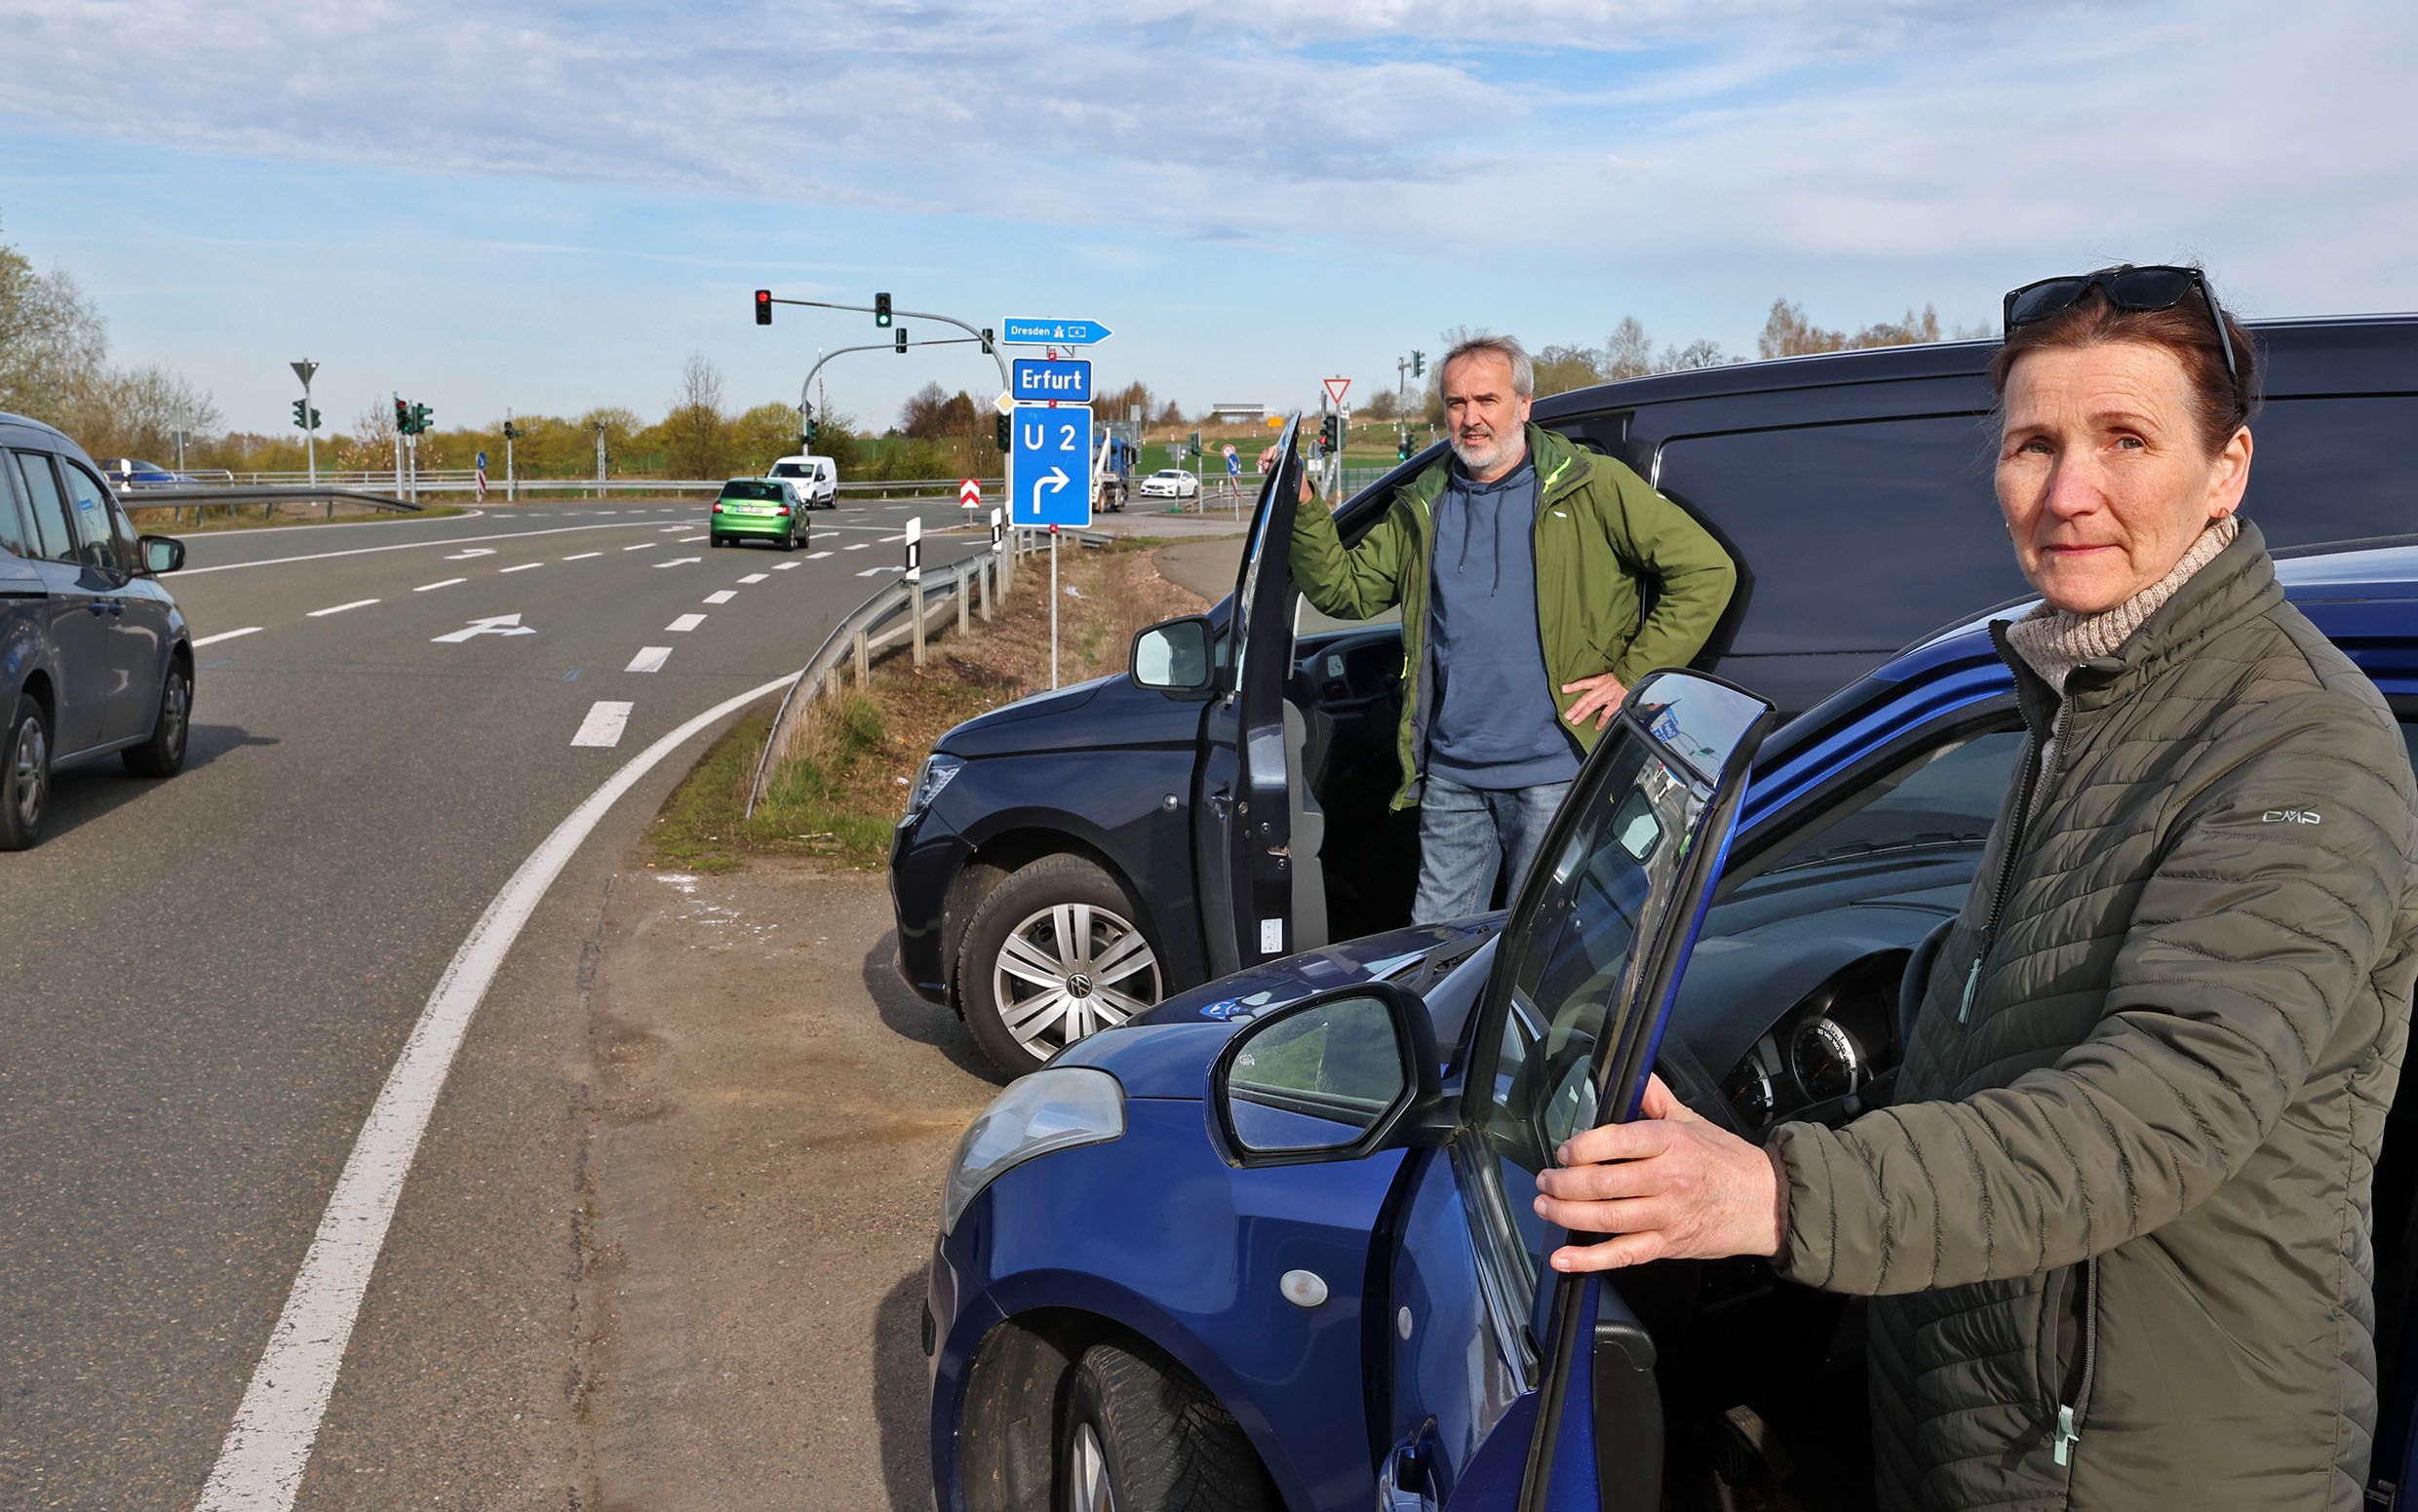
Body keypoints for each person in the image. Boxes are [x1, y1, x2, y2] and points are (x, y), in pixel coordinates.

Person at [1533, 266, 2418, 1509]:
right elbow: (2009, 993)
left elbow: (2153, 1115)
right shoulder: (2087, 691)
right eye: (2032, 444)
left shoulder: (2293, 745)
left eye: (2124, 440)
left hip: (2141, 1454)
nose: (2067, 493)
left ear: (2225, 469)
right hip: (1999, 1398)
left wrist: (1777, 1191)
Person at [1285, 335, 1736, 920]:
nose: (1470, 418)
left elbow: (1706, 571)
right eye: (1456, 403)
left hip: (1556, 774)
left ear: (1524, 404)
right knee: (1438, 950)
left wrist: (1634, 676)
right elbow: (1343, 589)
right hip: (1451, 777)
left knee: (1542, 952)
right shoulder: (1424, 504)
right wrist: (1303, 508)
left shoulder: (1590, 484)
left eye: (1487, 400)